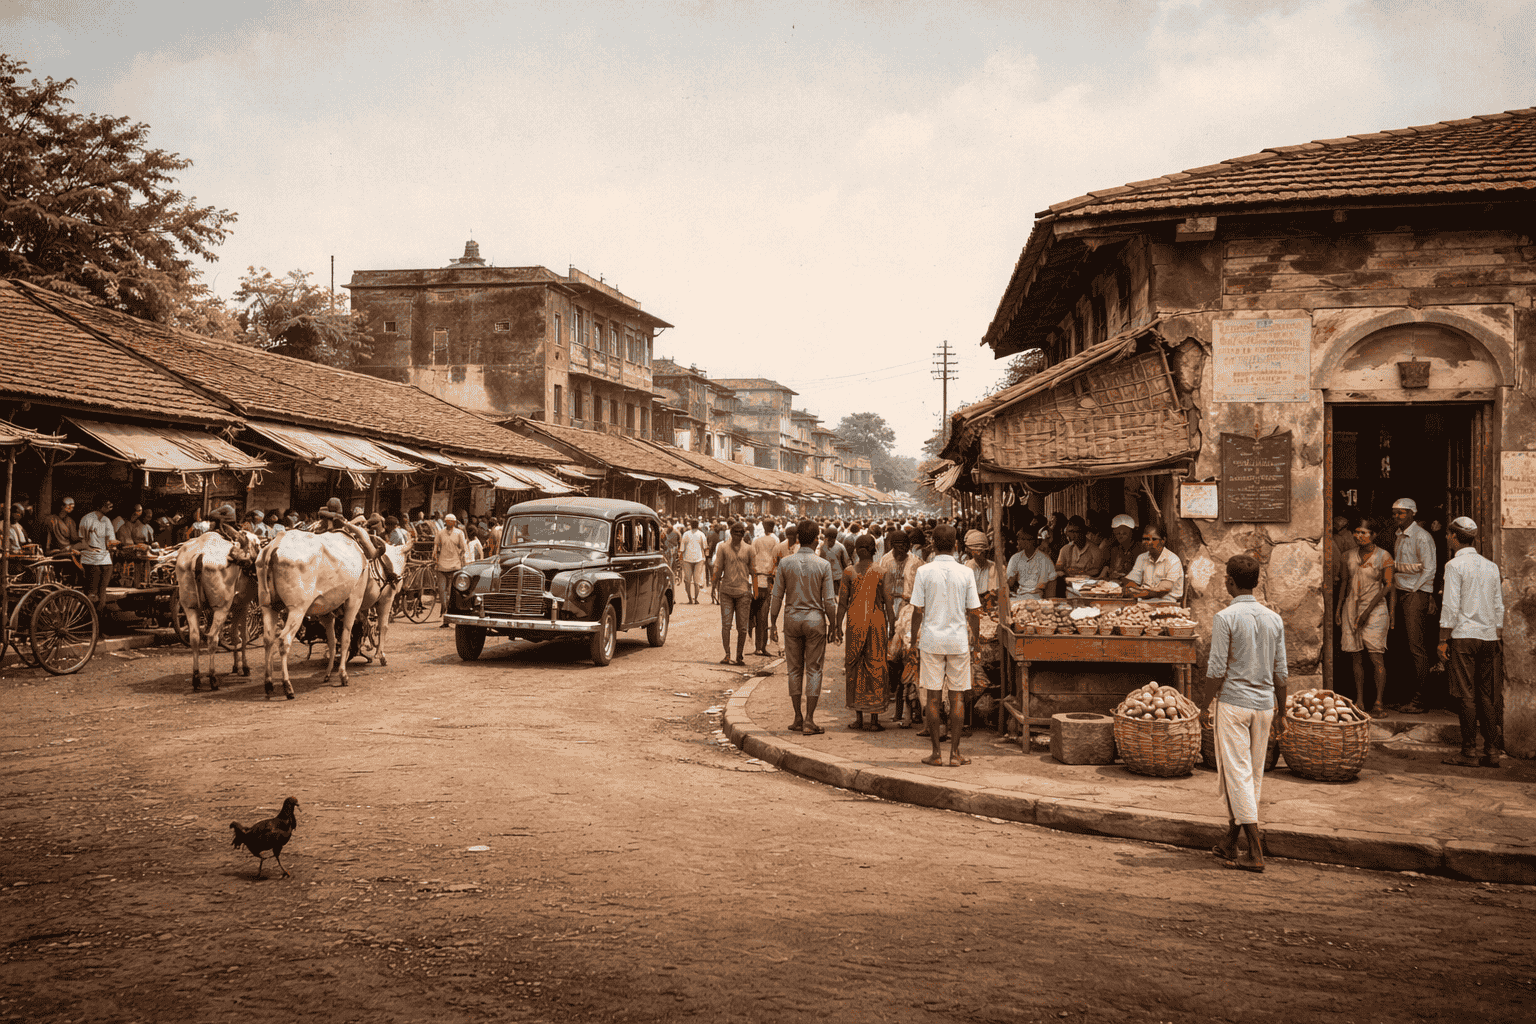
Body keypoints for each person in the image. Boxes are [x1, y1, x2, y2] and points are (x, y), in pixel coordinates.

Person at [1208, 554, 1288, 873]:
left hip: (1234, 704)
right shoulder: (1274, 618)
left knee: (1236, 774)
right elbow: (1281, 671)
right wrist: (1281, 711)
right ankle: (1231, 840)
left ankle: (1255, 852)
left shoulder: (1225, 617)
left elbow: (1215, 669)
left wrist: (1203, 705)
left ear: (1230, 581)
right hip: (1265, 706)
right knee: (1251, 774)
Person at [909, 524, 981, 767]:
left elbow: (917, 611)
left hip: (931, 640)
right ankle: (955, 754)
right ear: (956, 545)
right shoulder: (966, 572)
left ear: (933, 545)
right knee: (957, 696)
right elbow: (974, 612)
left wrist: (912, 640)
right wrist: (977, 641)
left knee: (932, 697)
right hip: (958, 640)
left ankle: (936, 754)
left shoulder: (924, 572)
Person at [1438, 517, 1505, 768]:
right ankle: (1491, 751)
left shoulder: (1454, 565)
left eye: (1448, 535)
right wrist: (1496, 634)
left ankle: (1468, 751)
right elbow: (1499, 605)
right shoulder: (1491, 566)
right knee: (1486, 695)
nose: (1447, 538)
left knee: (1466, 695)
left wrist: (1443, 640)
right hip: (1488, 637)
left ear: (1455, 537)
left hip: (1464, 636)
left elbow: (1450, 605)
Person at [770, 521, 836, 735]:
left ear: (797, 538)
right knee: (814, 669)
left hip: (791, 619)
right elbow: (829, 601)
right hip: (815, 620)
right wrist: (834, 625)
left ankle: (797, 717)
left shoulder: (786, 563)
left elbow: (777, 596)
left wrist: (772, 623)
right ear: (816, 538)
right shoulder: (823, 565)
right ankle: (809, 720)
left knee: (794, 669)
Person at [1337, 517, 1394, 714]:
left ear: (1374, 535)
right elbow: (1344, 583)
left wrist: (1367, 611)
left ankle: (1378, 702)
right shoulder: (1347, 556)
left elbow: (1388, 586)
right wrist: (1338, 610)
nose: (1358, 535)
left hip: (1375, 609)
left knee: (1376, 656)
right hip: (1351, 608)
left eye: (1363, 532)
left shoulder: (1384, 556)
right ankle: (1359, 701)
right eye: (1356, 532)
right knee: (1356, 657)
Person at [837, 533, 891, 731]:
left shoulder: (849, 572)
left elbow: (842, 603)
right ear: (874, 550)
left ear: (857, 551)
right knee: (876, 667)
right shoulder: (881, 571)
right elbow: (888, 602)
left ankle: (859, 718)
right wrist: (893, 625)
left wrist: (836, 626)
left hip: (854, 623)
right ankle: (874, 719)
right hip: (876, 624)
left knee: (855, 668)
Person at [1389, 498, 1436, 715]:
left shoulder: (1422, 537)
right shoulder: (1399, 536)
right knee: (1403, 647)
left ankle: (1421, 699)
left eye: (1401, 513)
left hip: (1413, 593)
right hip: (1401, 591)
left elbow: (1429, 569)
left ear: (1412, 514)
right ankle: (1406, 695)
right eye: (1395, 513)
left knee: (1416, 648)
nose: (1397, 516)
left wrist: (1415, 590)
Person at [712, 521, 756, 666]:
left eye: (741, 533)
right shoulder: (723, 547)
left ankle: (739, 655)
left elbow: (753, 571)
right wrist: (713, 586)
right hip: (726, 591)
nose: (738, 536)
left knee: (742, 627)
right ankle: (727, 654)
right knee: (726, 625)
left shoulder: (749, 549)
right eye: (735, 533)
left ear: (744, 534)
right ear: (731, 533)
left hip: (743, 592)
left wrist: (755, 589)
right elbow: (718, 568)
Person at [1123, 524, 1183, 603]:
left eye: (1154, 539)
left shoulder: (1173, 560)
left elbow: (1161, 592)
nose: (1150, 542)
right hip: (1143, 602)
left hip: (1166, 603)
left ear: (1163, 540)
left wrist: (1136, 592)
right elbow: (1130, 581)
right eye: (1146, 539)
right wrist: (1131, 588)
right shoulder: (1142, 558)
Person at [78, 497, 117, 613]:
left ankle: (98, 622)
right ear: (100, 506)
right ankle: (88, 618)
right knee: (92, 591)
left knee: (102, 591)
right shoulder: (87, 519)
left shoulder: (107, 520)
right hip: (90, 557)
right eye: (107, 505)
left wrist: (112, 547)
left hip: (104, 557)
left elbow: (111, 540)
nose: (110, 508)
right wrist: (90, 548)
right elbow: (82, 540)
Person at [431, 513, 469, 628]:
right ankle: (445, 614)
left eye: (452, 522)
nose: (450, 524)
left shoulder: (459, 533)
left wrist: (461, 558)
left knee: (450, 593)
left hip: (455, 566)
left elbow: (464, 548)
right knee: (442, 593)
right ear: (445, 522)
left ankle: (447, 618)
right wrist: (435, 558)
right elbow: (436, 547)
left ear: (455, 523)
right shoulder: (440, 533)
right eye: (448, 521)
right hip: (442, 566)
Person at [749, 517, 780, 656]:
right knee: (764, 614)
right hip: (768, 579)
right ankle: (762, 646)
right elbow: (776, 560)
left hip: (756, 578)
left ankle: (757, 647)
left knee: (754, 613)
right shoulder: (776, 541)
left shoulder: (757, 540)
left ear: (763, 525)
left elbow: (752, 559)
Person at [1005, 526, 1056, 599]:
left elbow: (1052, 581)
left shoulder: (1045, 559)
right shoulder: (1015, 558)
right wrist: (1010, 578)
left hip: (1037, 597)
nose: (1019, 541)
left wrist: (1048, 601)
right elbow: (1009, 583)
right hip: (1018, 596)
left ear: (1033, 541)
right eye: (1019, 539)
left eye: (1023, 539)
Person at [1099, 514, 1145, 580]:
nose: (1120, 536)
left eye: (1124, 533)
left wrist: (1123, 576)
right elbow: (1109, 568)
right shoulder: (1114, 550)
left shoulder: (1140, 549)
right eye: (1118, 533)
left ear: (1132, 532)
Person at [679, 519, 708, 605]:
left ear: (690, 525)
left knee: (687, 580)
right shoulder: (701, 534)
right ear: (698, 525)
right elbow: (705, 547)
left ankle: (690, 599)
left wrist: (680, 560)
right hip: (699, 559)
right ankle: (696, 599)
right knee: (696, 581)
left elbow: (681, 549)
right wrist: (705, 558)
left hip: (687, 559)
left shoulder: (686, 534)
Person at [817, 524, 852, 595]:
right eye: (826, 539)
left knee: (836, 595)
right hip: (825, 576)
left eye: (830, 540)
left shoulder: (840, 547)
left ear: (834, 538)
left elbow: (846, 562)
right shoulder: (822, 546)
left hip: (837, 577)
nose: (828, 541)